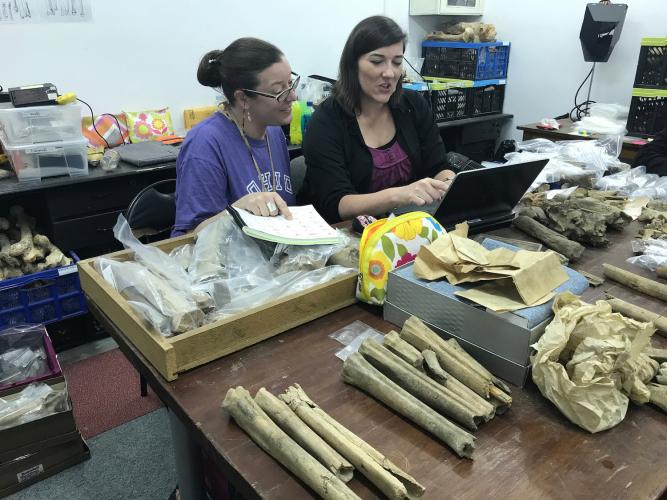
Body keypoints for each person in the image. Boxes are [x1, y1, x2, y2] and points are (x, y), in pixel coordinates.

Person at [302, 16, 458, 223]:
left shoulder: (413, 105)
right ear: (353, 64)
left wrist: (448, 183)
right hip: (346, 236)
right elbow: (336, 203)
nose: (389, 73)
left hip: (406, 228)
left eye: (397, 62)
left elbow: (437, 165)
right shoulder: (326, 121)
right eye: (377, 61)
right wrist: (399, 195)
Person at [173, 38, 299, 236]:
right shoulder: (205, 144)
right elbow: (188, 238)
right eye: (279, 91)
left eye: (291, 84)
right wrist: (237, 211)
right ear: (243, 98)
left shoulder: (273, 130)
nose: (292, 96)